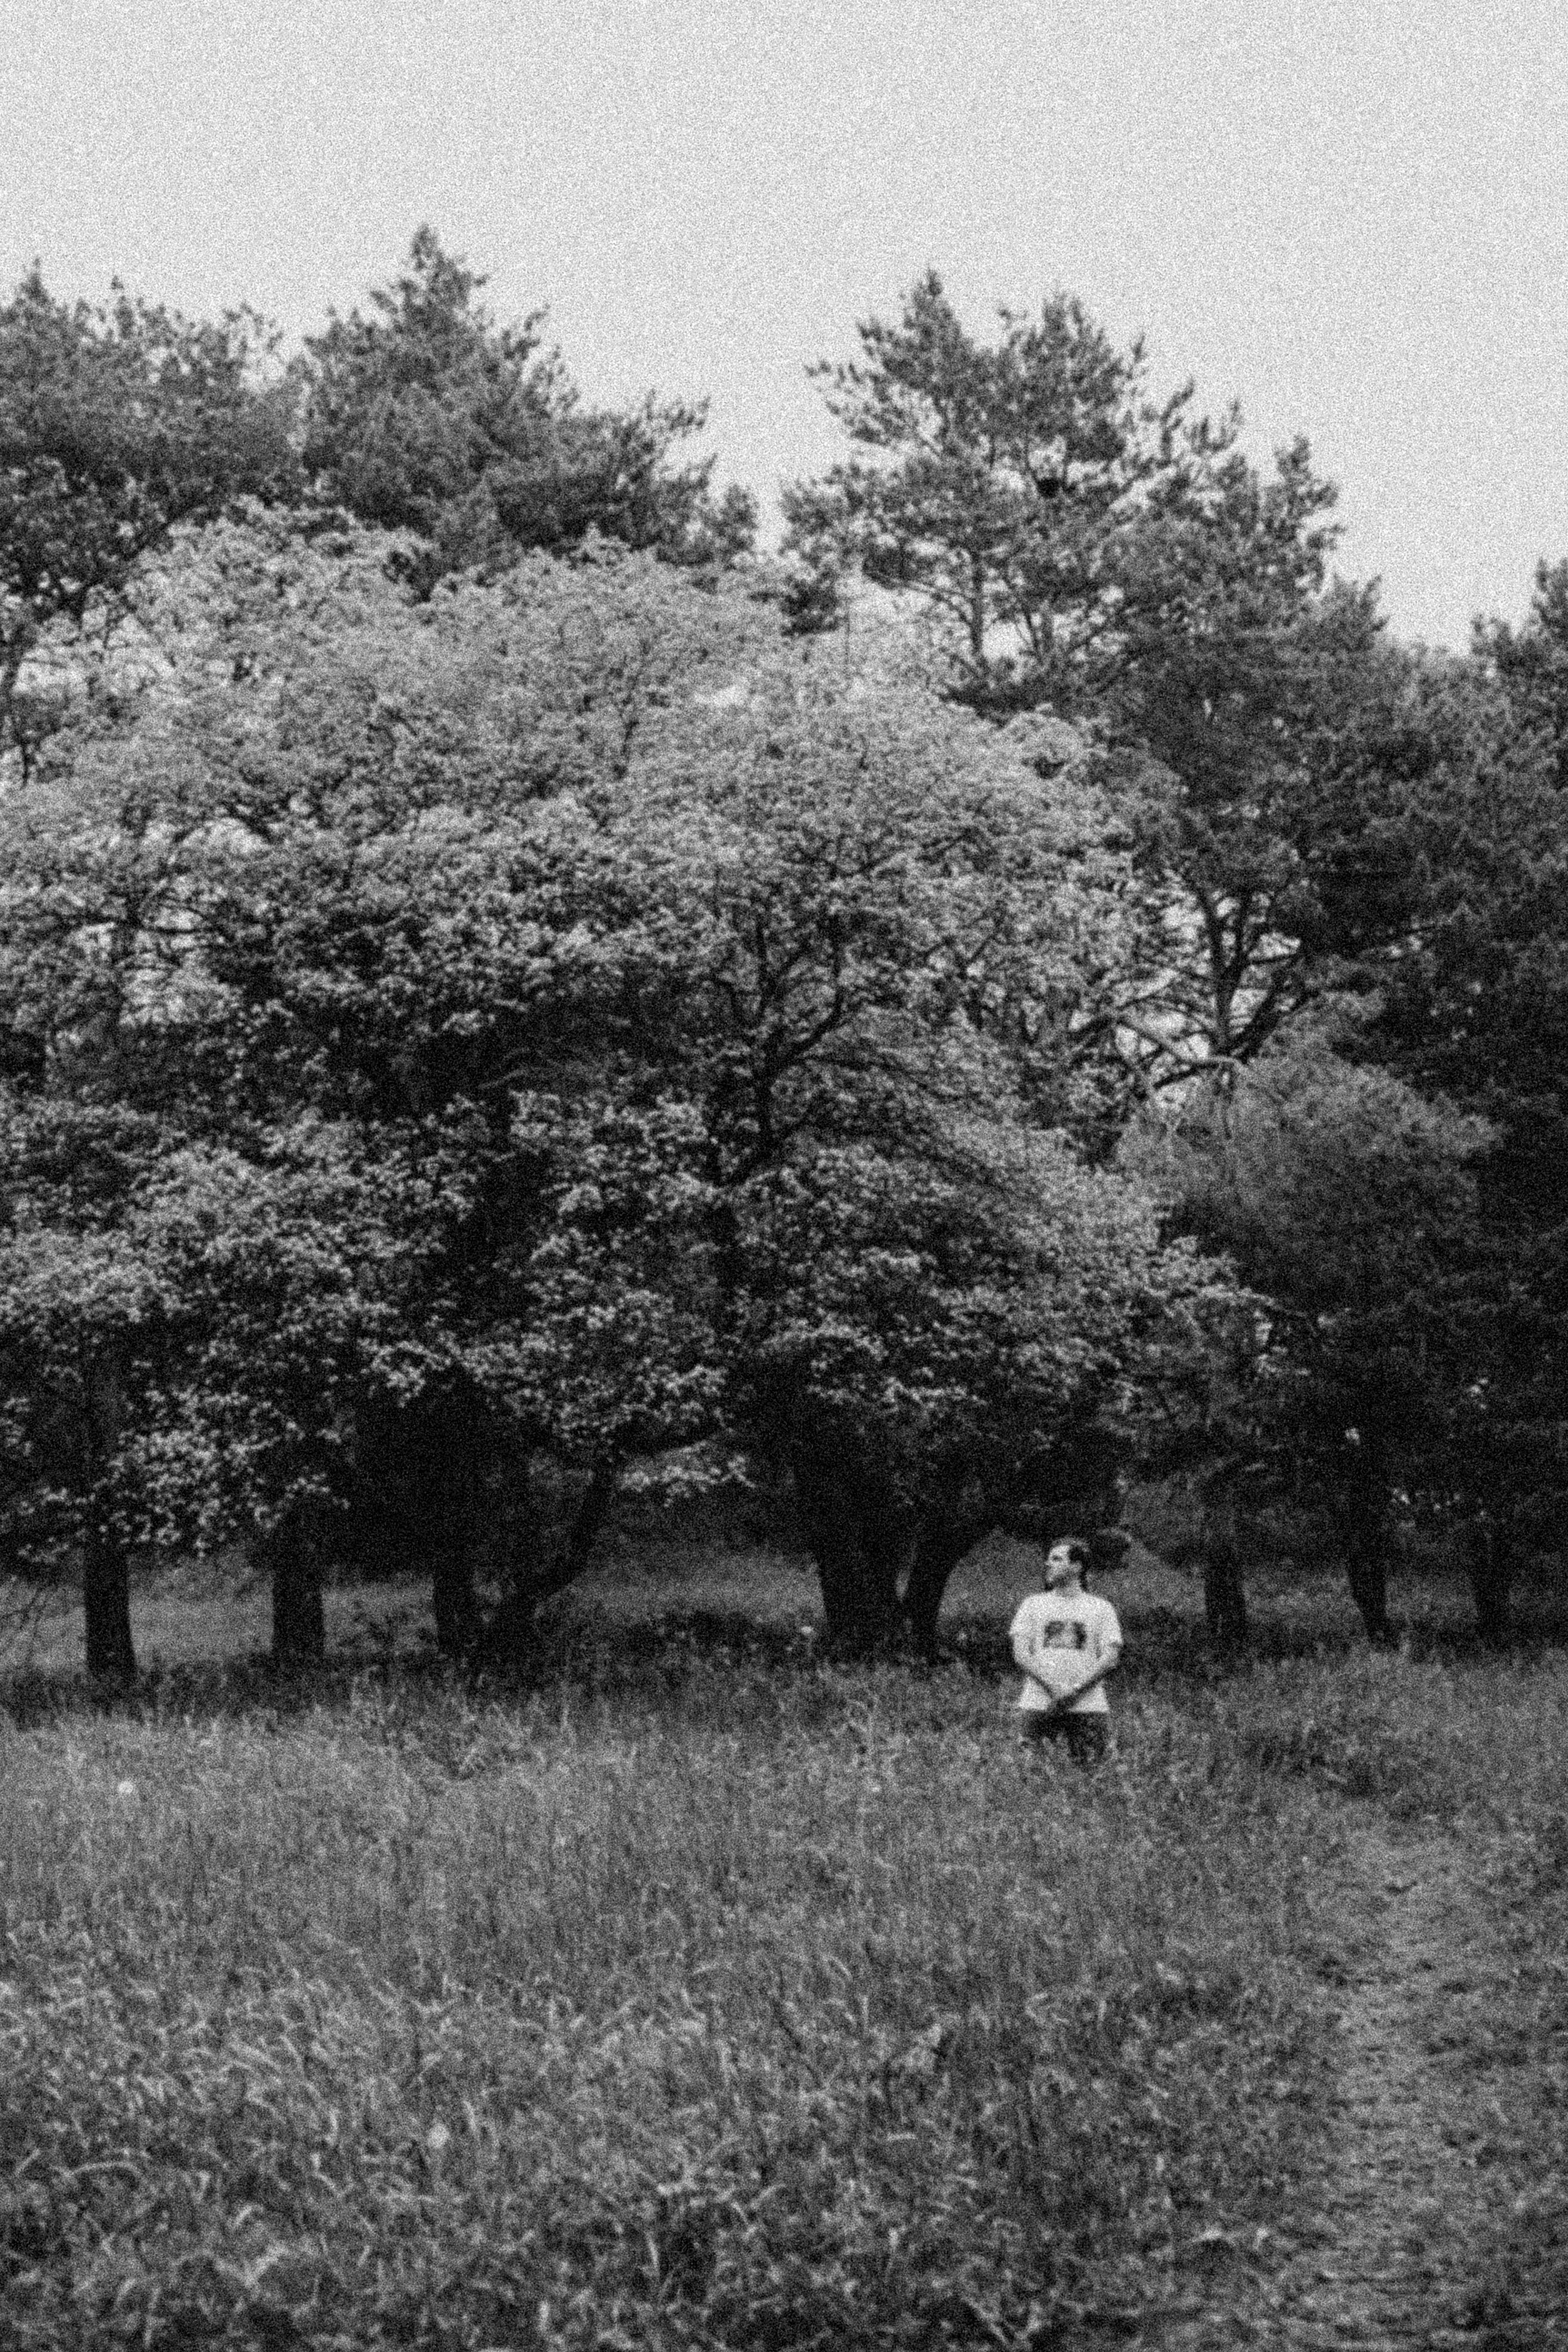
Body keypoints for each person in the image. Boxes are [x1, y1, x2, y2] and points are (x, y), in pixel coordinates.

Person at [1010, 1536, 1123, 1764]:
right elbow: (1021, 1654)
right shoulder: (1032, 1605)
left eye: (1056, 1559)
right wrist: (1053, 1687)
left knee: (1096, 1773)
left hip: (1088, 1707)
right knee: (1031, 1774)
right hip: (1038, 1705)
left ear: (1077, 1567)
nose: (1048, 1564)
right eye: (1049, 1559)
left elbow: (1110, 1658)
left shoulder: (1101, 1609)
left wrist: (1075, 1691)